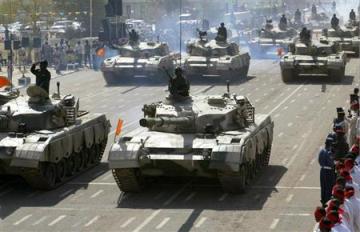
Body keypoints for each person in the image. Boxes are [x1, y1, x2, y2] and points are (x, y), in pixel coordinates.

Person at [318, 137, 337, 206]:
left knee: (323, 186)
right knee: (329, 187)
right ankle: (327, 201)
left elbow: (319, 161)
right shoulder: (329, 152)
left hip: (322, 170)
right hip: (329, 171)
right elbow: (331, 163)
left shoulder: (321, 151)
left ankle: (323, 199)